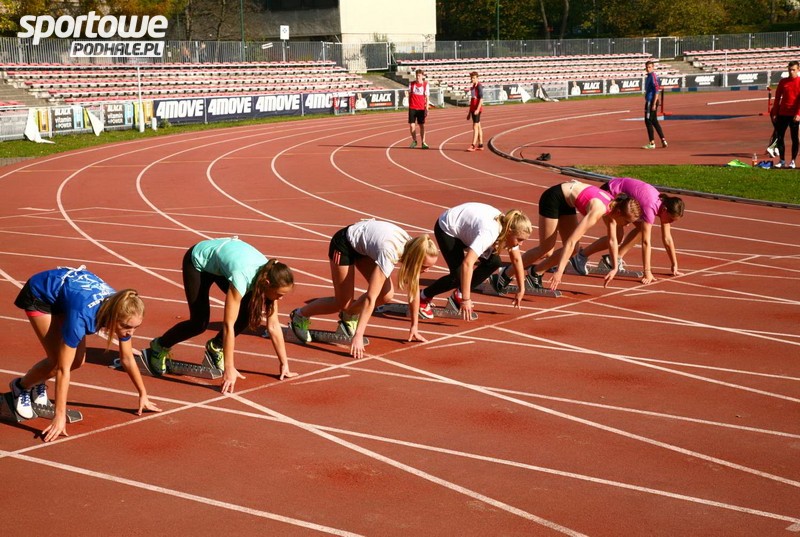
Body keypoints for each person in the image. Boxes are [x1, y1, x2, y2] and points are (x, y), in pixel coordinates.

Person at [10, 266, 161, 442]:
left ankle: (37, 382)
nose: (130, 332)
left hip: (68, 295)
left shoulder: (123, 308)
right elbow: (63, 370)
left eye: (136, 327)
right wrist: (59, 416)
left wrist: (143, 394)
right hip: (40, 293)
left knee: (78, 361)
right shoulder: (82, 318)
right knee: (56, 360)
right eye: (127, 327)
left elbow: (127, 358)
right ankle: (20, 387)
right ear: (113, 317)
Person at [142, 237, 297, 394]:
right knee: (199, 323)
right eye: (279, 294)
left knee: (248, 313)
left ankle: (216, 346)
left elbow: (273, 325)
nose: (281, 298)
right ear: (267, 284)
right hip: (198, 262)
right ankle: (159, 346)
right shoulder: (242, 277)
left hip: (221, 265)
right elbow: (229, 325)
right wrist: (229, 368)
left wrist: (284, 364)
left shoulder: (271, 274)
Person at [290, 220, 439, 359]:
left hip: (365, 249)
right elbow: (370, 297)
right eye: (425, 266)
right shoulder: (389, 252)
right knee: (343, 303)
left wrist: (414, 326)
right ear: (415, 259)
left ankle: (349, 315)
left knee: (386, 295)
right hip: (344, 245)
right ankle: (300, 315)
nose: (427, 270)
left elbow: (413, 290)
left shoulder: (415, 246)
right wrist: (358, 335)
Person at [491, 180, 642, 293]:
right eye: (627, 221)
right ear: (619, 213)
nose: (628, 225)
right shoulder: (598, 210)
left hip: (567, 202)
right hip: (553, 198)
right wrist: (559, 270)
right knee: (546, 248)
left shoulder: (612, 207)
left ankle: (535, 272)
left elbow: (613, 240)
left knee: (575, 250)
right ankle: (505, 274)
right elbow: (571, 241)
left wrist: (614, 267)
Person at [421, 203, 532, 321]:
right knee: (458, 276)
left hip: (467, 230)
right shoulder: (489, 233)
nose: (521, 244)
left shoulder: (509, 225)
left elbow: (516, 259)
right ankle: (423, 296)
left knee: (494, 262)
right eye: (520, 240)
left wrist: (522, 289)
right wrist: (466, 299)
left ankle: (459, 294)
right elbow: (467, 263)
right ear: (509, 232)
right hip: (447, 229)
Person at [570, 177, 685, 284]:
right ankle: (580, 257)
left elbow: (667, 239)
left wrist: (674, 264)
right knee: (617, 236)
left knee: (641, 230)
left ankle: (612, 259)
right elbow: (646, 242)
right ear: (664, 210)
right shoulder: (650, 207)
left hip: (626, 200)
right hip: (611, 193)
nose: (670, 222)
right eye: (671, 219)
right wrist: (647, 271)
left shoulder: (663, 204)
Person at [770, 60, 800, 169]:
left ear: (798, 70)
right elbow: (777, 98)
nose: (791, 72)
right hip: (782, 113)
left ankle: (793, 161)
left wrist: (798, 114)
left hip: (794, 115)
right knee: (779, 137)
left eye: (793, 70)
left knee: (794, 138)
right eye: (789, 70)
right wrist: (775, 113)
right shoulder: (783, 82)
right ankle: (782, 160)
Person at [643, 60, 667, 150]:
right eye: (646, 67)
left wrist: (654, 103)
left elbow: (657, 90)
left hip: (651, 101)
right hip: (650, 101)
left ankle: (652, 142)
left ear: (653, 67)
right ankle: (663, 140)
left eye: (649, 67)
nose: (648, 69)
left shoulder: (653, 76)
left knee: (648, 120)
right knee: (654, 121)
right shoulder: (649, 76)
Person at [408, 69, 430, 149]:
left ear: (422, 76)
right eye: (417, 75)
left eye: (419, 76)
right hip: (412, 107)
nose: (418, 77)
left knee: (421, 125)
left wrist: (426, 108)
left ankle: (423, 142)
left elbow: (427, 97)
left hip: (421, 108)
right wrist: (409, 105)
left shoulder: (425, 85)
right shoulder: (411, 84)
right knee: (412, 125)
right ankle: (414, 140)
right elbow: (409, 95)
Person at [466, 71, 484, 152]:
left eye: (473, 78)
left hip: (477, 109)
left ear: (477, 78)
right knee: (478, 126)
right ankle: (481, 144)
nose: (472, 79)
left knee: (475, 126)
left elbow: (481, 99)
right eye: (471, 78)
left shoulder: (479, 86)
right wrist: (469, 113)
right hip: (473, 109)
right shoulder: (473, 87)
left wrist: (477, 109)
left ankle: (473, 145)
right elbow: (472, 99)